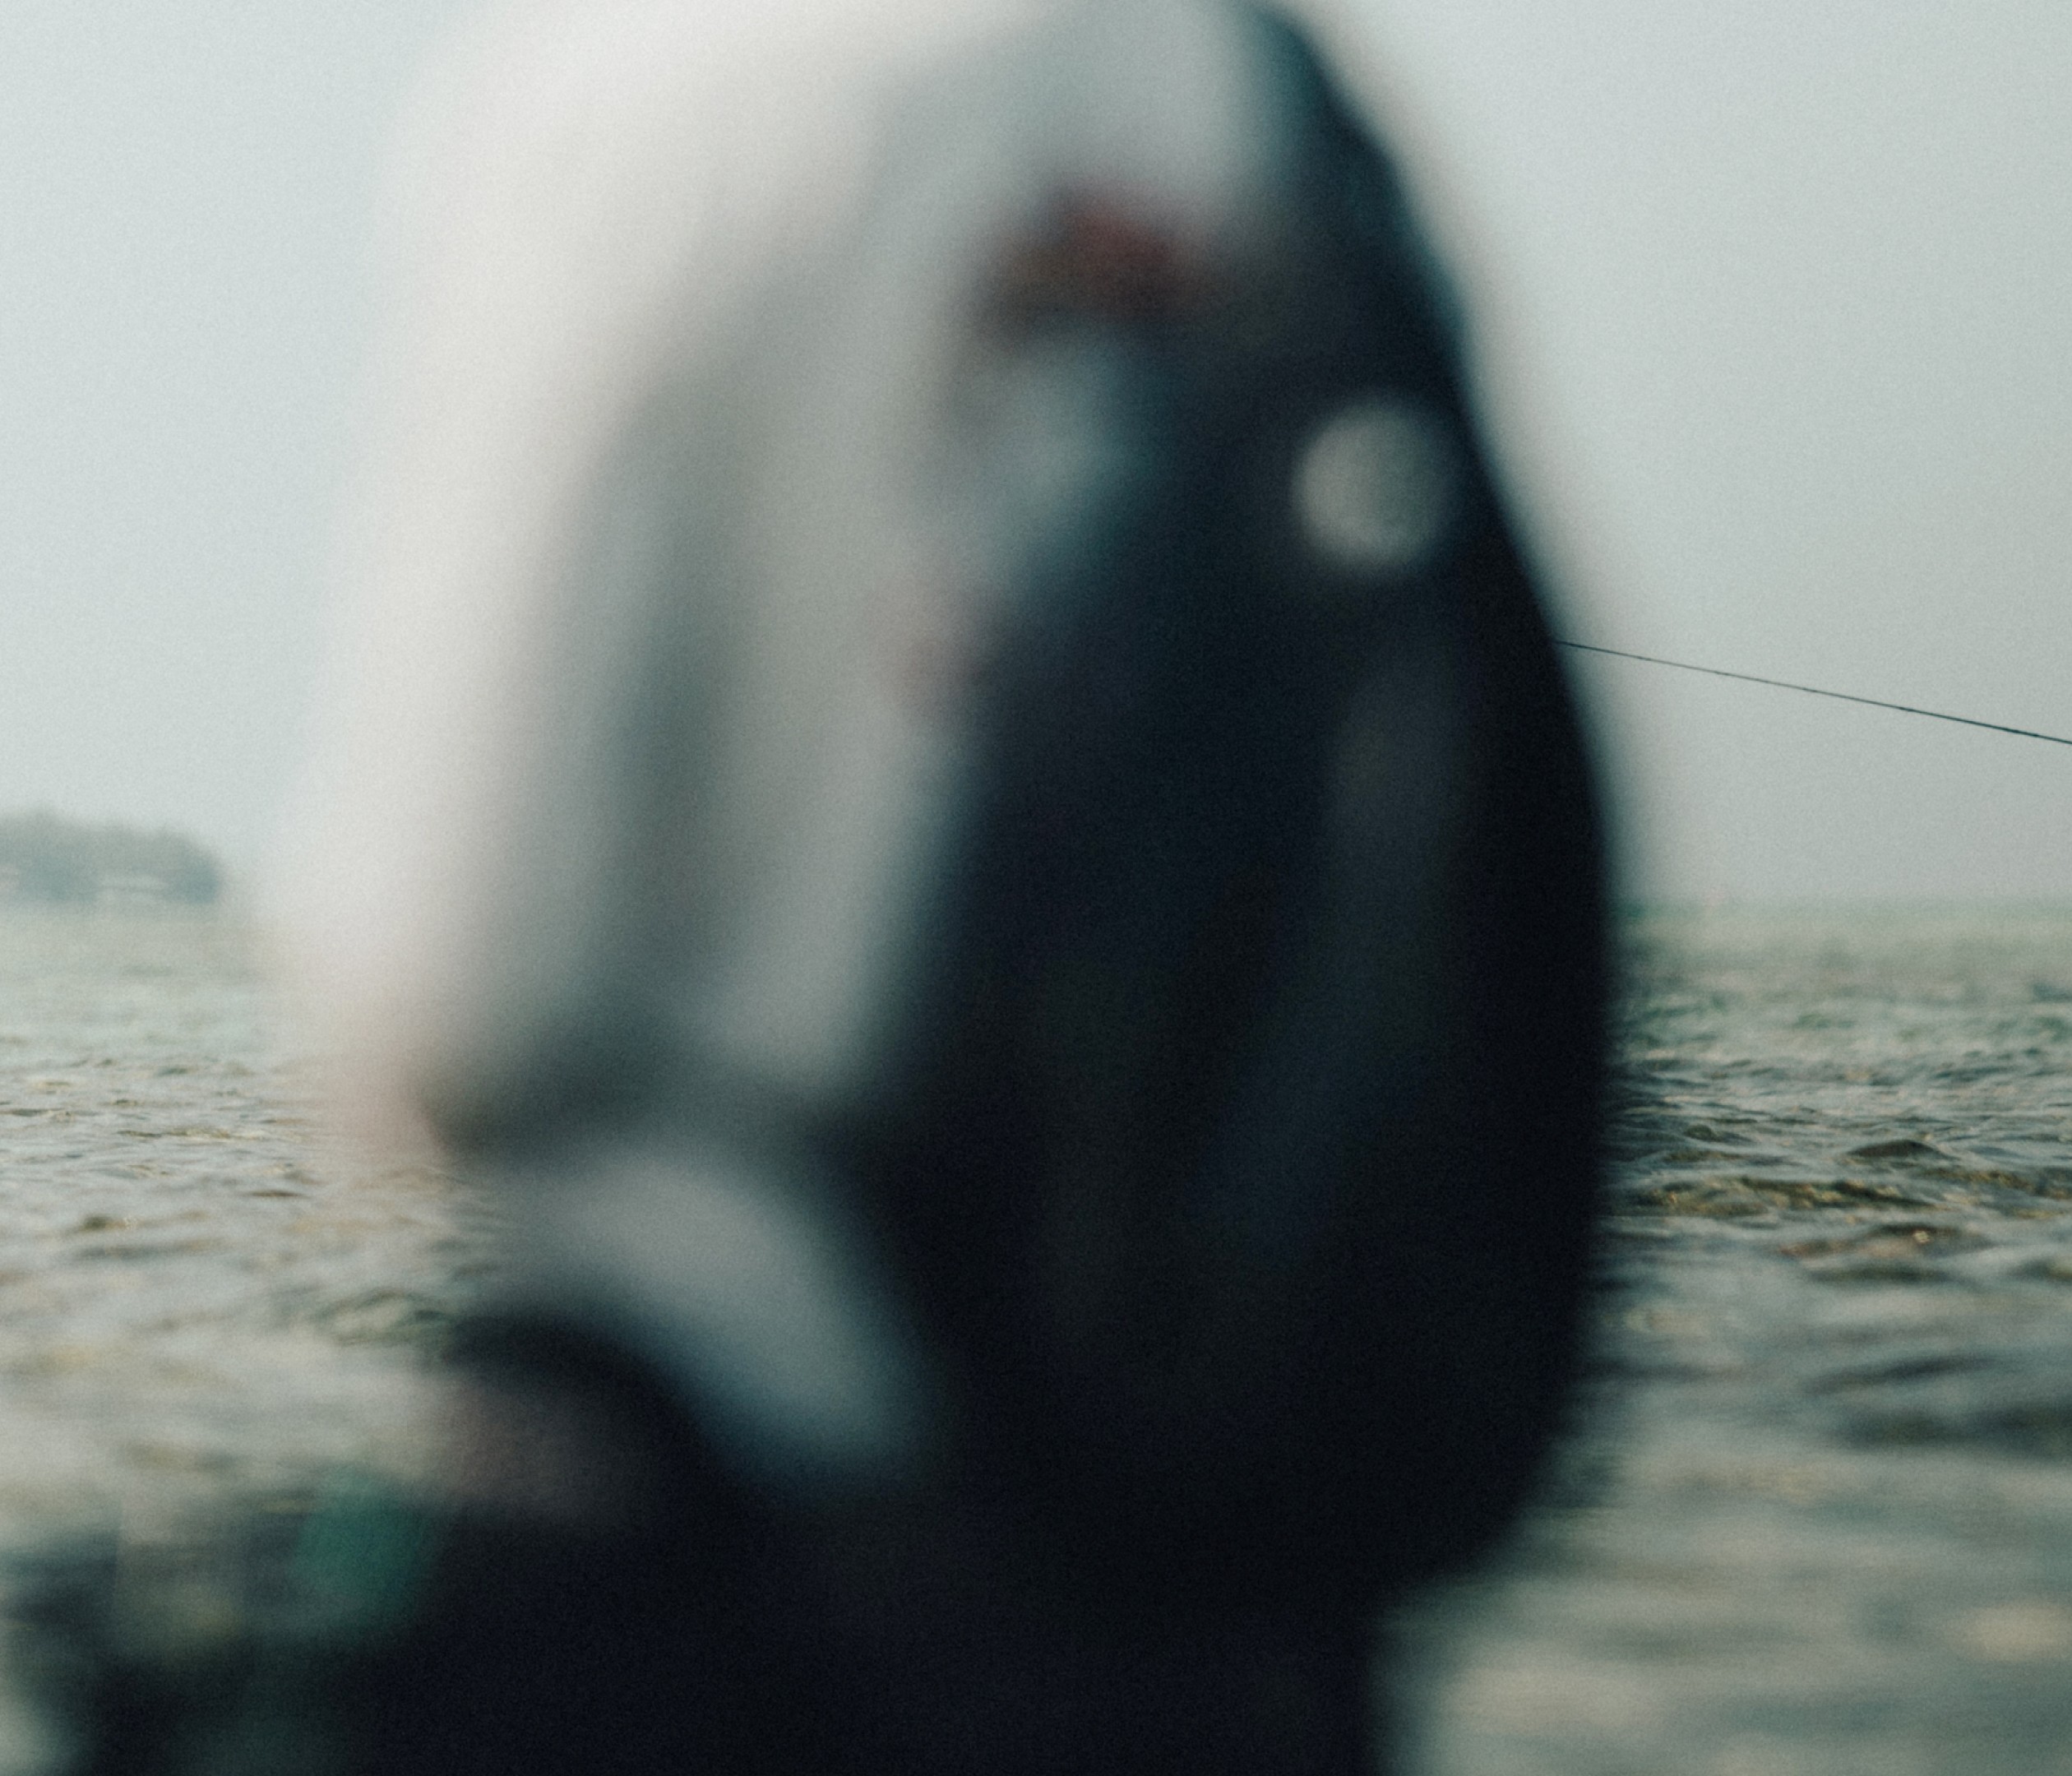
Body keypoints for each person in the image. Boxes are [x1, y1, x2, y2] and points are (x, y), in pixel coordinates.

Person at [25, 2, 1607, 1772]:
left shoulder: (644, 82)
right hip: (1202, 1580)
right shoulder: (1260, 89)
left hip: (725, 1527)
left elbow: (451, 987)